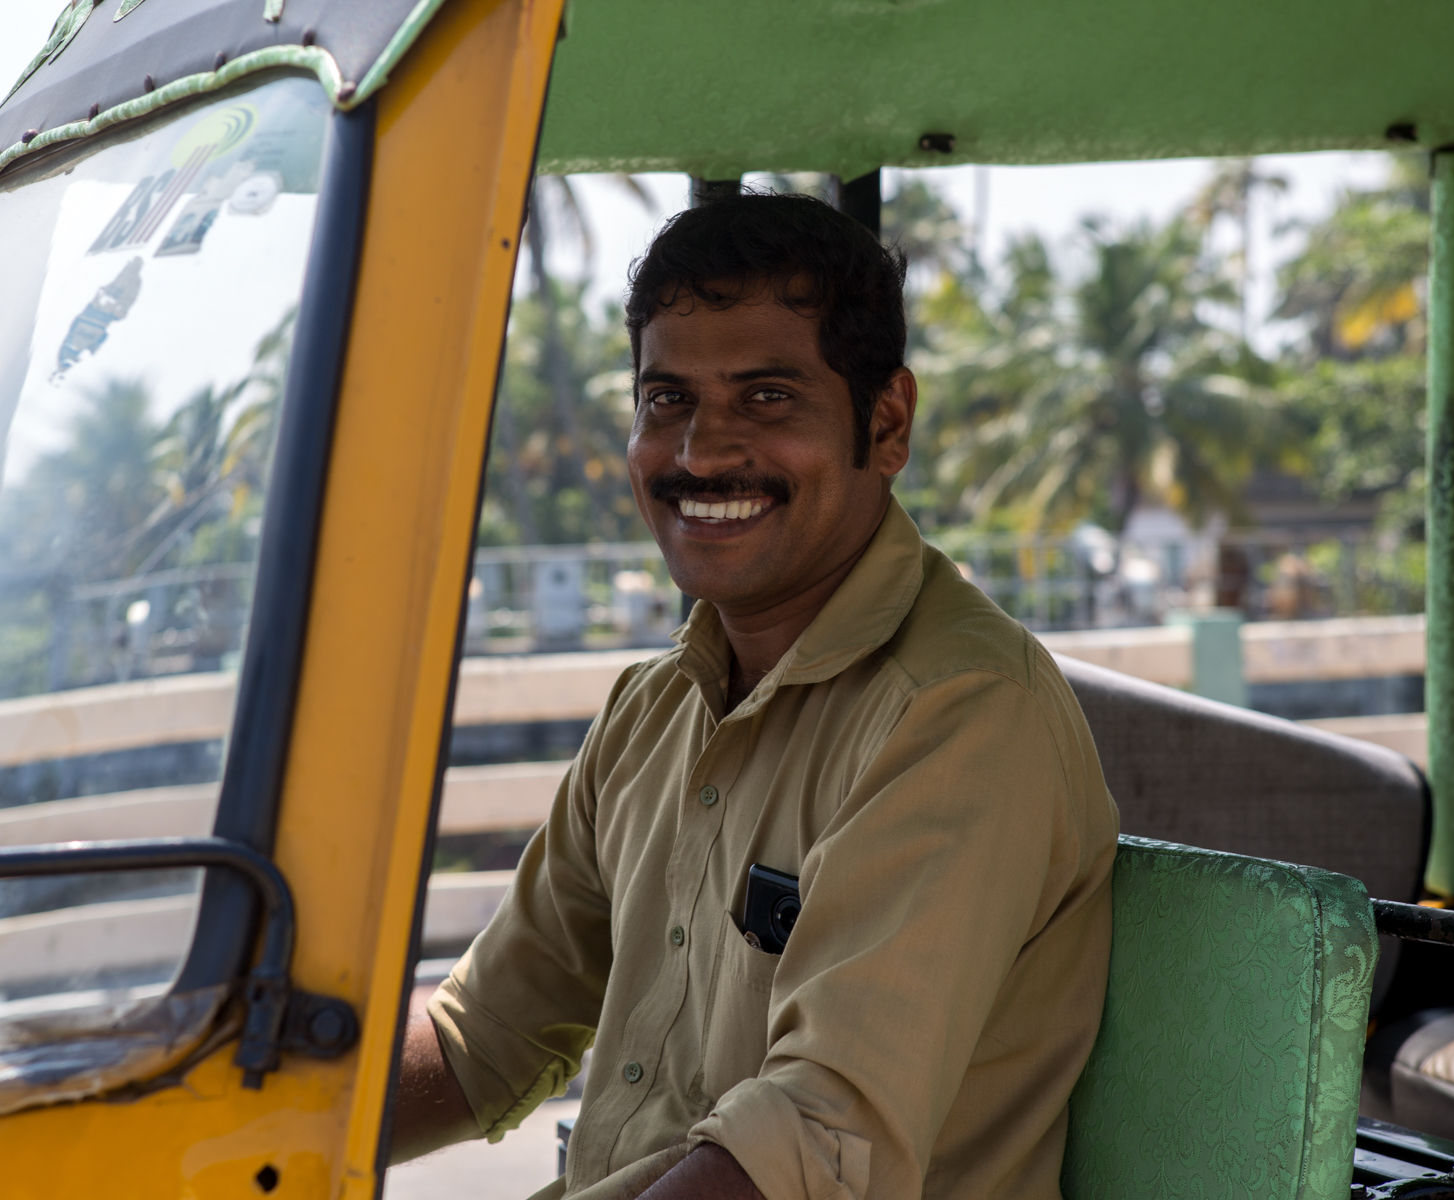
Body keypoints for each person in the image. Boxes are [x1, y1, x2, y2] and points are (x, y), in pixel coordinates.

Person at [391, 191, 1119, 1200]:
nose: (700, 454)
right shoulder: (650, 715)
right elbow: (489, 1035)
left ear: (887, 421)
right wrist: (221, 1114)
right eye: (667, 401)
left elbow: (811, 1144)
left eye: (767, 398)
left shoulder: (960, 712)